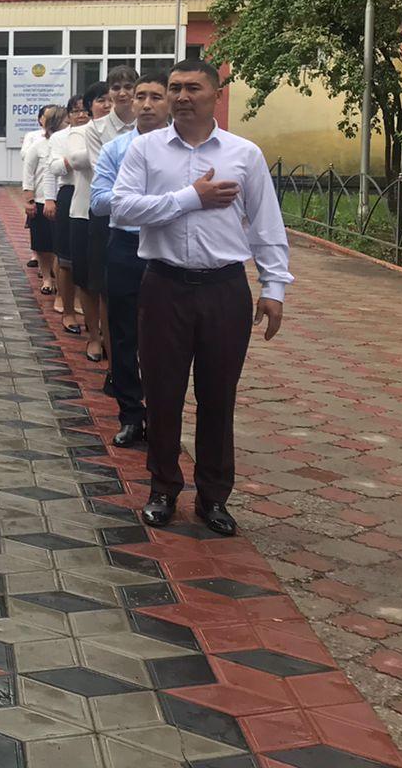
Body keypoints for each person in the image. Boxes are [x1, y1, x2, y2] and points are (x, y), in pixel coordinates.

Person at [112, 59, 291, 536]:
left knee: (218, 396)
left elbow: (267, 225)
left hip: (223, 289)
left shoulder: (244, 154)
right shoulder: (145, 150)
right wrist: (190, 197)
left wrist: (274, 288)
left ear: (216, 94)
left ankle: (213, 497)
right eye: (175, 88)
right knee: (164, 394)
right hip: (164, 285)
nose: (182, 96)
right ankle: (163, 488)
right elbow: (122, 207)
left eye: (194, 87)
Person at [90, 72, 167, 450]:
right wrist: (139, 197)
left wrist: (138, 202)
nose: (147, 104)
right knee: (123, 336)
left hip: (168, 252)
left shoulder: (182, 150)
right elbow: (99, 202)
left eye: (156, 96)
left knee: (166, 338)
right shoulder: (116, 150)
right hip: (125, 246)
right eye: (141, 97)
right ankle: (130, 414)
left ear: (169, 102)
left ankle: (162, 415)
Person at [73, 67, 137, 373]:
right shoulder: (95, 129)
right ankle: (99, 340)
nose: (122, 93)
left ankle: (130, 357)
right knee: (101, 285)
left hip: (142, 217)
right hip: (105, 215)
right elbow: (103, 171)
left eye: (128, 86)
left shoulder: (150, 124)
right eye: (116, 87)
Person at [64, 81, 112, 360]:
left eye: (111, 100)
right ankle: (94, 335)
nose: (107, 105)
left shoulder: (132, 132)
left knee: (110, 284)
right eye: (100, 100)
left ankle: (111, 335)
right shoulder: (80, 132)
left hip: (118, 217)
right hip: (84, 213)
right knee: (87, 280)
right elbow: (78, 159)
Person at [45, 95, 88, 327]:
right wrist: (49, 199)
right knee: (65, 257)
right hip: (69, 193)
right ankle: (67, 307)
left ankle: (84, 302)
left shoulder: (98, 134)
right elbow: (53, 168)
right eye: (75, 111)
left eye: (85, 111)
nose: (81, 115)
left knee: (89, 257)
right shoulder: (61, 138)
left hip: (93, 194)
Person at [23, 106, 65, 296]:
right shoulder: (38, 145)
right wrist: (29, 200)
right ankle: (47, 277)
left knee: (59, 245)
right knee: (42, 244)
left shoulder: (69, 145)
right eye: (65, 121)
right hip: (41, 200)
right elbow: (28, 173)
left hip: (62, 199)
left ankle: (59, 279)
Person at [20, 104, 53, 271]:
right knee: (39, 232)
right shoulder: (33, 137)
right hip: (38, 191)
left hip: (54, 195)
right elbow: (25, 156)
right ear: (40, 119)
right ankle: (39, 259)